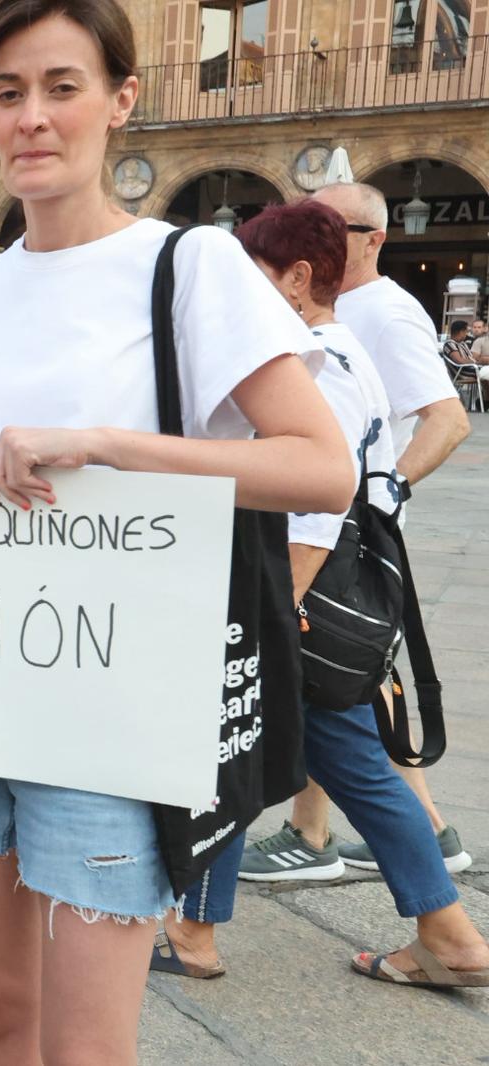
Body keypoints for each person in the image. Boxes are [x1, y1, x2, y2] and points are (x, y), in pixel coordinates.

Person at [0, 2, 353, 1060]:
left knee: (87, 1045)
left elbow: (320, 465)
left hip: (113, 711)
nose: (31, 117)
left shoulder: (191, 268)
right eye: (6, 94)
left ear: (121, 101)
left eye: (60, 87)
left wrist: (109, 445)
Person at [153, 199, 489, 990]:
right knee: (332, 761)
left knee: (233, 748)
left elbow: (313, 513)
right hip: (318, 598)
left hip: (302, 595)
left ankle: (198, 933)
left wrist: (270, 625)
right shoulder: (337, 351)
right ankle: (450, 935)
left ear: (298, 280)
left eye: (252, 281)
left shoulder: (315, 365)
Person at [306, 180, 473, 876]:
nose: (311, 236)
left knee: (352, 690)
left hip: (348, 539)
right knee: (331, 688)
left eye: (329, 226)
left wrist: (383, 491)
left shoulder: (387, 313)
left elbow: (449, 417)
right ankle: (310, 836)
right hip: (330, 529)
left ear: (374, 238)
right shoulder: (334, 306)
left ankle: (429, 841)